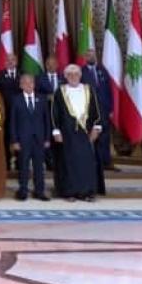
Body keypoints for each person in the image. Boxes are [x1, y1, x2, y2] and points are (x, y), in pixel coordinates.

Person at [52, 64, 104, 202]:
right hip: (67, 134)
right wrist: (56, 131)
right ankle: (69, 192)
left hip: (85, 133)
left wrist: (97, 128)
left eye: (76, 74)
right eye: (70, 74)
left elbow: (96, 110)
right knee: (69, 163)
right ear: (66, 76)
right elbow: (55, 113)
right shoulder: (60, 91)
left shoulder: (88, 90)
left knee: (86, 163)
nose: (73, 77)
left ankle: (87, 192)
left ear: (80, 76)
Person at [11, 74, 51, 201]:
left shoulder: (42, 99)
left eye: (31, 83)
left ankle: (39, 191)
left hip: (39, 139)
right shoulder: (16, 100)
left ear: (34, 84)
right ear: (21, 85)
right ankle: (23, 190)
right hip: (23, 139)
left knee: (39, 166)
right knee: (23, 165)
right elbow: (13, 122)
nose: (28, 85)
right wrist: (14, 140)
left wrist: (47, 138)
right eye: (25, 83)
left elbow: (47, 120)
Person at [81, 49, 117, 174]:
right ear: (85, 57)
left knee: (105, 137)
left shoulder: (102, 70)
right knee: (90, 136)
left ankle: (106, 162)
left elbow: (109, 90)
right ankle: (90, 162)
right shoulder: (81, 72)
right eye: (88, 55)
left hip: (104, 109)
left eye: (93, 55)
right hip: (89, 111)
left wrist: (111, 108)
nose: (91, 57)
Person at [0, 53, 22, 170]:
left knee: (20, 136)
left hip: (20, 113)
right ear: (5, 62)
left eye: (13, 60)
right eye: (8, 60)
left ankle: (20, 163)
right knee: (5, 137)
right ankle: (6, 163)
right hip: (4, 112)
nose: (10, 62)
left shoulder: (23, 74)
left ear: (16, 62)